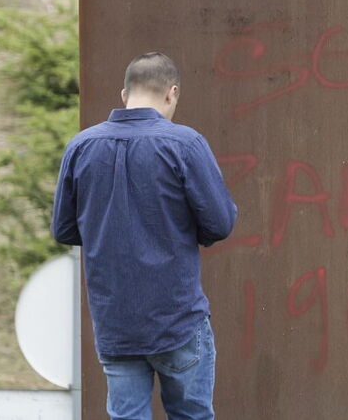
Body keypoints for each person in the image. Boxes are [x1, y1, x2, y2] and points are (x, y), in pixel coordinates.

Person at [51, 51, 238, 420]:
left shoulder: (81, 147)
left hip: (116, 322)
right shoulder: (184, 144)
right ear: (171, 93)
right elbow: (219, 223)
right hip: (177, 317)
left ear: (125, 94)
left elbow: (65, 228)